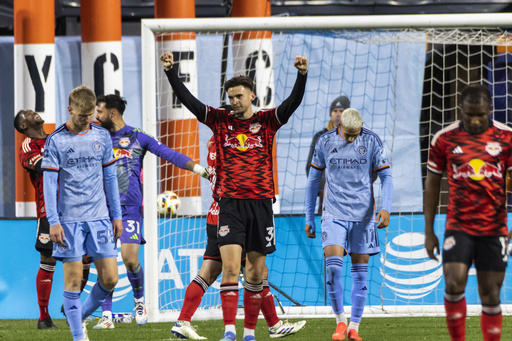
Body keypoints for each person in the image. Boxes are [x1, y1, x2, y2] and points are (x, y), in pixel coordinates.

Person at [160, 52, 308, 341]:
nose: (234, 102)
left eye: (238, 96)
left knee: (255, 273)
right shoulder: (218, 119)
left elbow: (292, 103)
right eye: (230, 97)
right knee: (229, 268)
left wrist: (301, 76)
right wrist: (170, 72)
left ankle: (252, 334)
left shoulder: (267, 121)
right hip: (229, 205)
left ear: (252, 95)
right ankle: (230, 333)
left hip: (261, 204)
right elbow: (190, 102)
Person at [171, 135, 306, 340]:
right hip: (232, 217)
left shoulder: (213, 149)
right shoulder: (232, 151)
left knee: (209, 271)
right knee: (257, 271)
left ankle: (182, 321)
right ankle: (271, 326)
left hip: (215, 216)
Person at [92, 94, 209, 328]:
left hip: (130, 207)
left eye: (100, 111)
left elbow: (169, 154)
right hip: (102, 208)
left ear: (112, 112)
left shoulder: (138, 136)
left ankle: (139, 302)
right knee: (105, 262)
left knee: (129, 258)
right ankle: (106, 316)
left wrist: (197, 168)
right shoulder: (97, 137)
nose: (97, 115)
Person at [424, 84, 512, 341]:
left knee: (491, 294)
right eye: (469, 114)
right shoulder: (444, 139)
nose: (474, 120)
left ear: (490, 110)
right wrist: (429, 231)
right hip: (458, 225)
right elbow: (432, 184)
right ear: (460, 110)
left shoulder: (506, 138)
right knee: (453, 283)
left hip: (494, 227)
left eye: (480, 115)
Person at [42, 85, 123, 341]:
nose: (86, 120)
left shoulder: (101, 136)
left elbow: (110, 178)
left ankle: (78, 316)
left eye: (90, 115)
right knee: (74, 281)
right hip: (69, 220)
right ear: (70, 110)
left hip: (99, 217)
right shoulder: (56, 140)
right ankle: (79, 337)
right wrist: (53, 222)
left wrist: (117, 215)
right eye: (81, 115)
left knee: (110, 279)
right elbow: (49, 184)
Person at [304, 108, 393, 341]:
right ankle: (340, 321)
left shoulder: (372, 140)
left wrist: (386, 208)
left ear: (361, 125)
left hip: (363, 217)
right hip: (333, 213)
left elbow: (386, 177)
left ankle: (355, 326)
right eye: (348, 134)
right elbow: (313, 180)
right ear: (339, 125)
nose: (352, 139)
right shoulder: (324, 141)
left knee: (360, 275)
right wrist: (308, 216)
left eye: (356, 134)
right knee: (333, 268)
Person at [14, 110, 92, 330]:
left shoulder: (56, 137)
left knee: (86, 258)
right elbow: (44, 166)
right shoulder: (29, 146)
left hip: (76, 208)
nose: (32, 112)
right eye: (26, 114)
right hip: (50, 211)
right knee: (48, 261)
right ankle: (44, 317)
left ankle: (70, 308)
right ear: (23, 126)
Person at [306, 96, 350, 214]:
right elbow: (311, 168)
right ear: (330, 114)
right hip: (326, 200)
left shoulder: (357, 137)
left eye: (341, 111)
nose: (338, 114)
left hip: (352, 200)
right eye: (335, 111)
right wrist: (324, 187)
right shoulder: (320, 137)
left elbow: (371, 169)